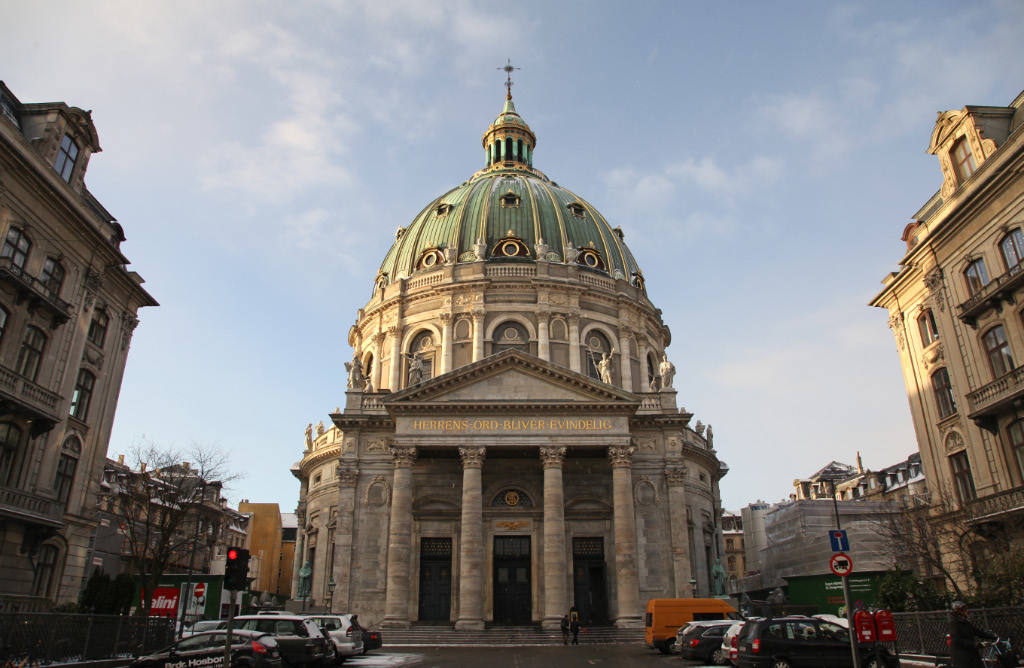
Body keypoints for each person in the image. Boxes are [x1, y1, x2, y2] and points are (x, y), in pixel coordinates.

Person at [949, 600, 995, 668]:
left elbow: (977, 632)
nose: (966, 611)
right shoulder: (954, 623)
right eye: (964, 610)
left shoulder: (966, 623)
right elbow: (957, 639)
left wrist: (992, 637)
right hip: (962, 655)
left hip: (972, 653)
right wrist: (974, 644)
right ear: (958, 612)